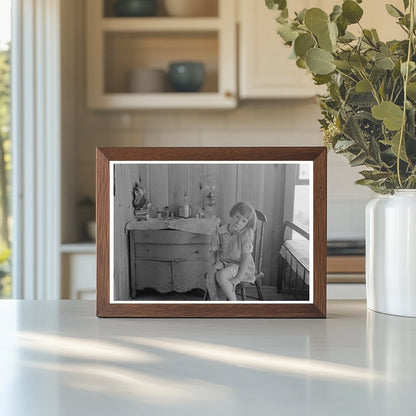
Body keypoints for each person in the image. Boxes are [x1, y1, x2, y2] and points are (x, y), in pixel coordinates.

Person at [206, 202, 257, 301]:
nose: (239, 222)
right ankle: (214, 301)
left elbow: (246, 258)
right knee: (210, 274)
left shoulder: (245, 233)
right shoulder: (220, 231)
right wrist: (211, 267)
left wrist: (238, 278)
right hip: (224, 262)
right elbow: (214, 252)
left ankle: (234, 304)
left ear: (247, 223)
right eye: (238, 217)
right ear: (233, 214)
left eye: (244, 221)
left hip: (239, 265)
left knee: (221, 275)